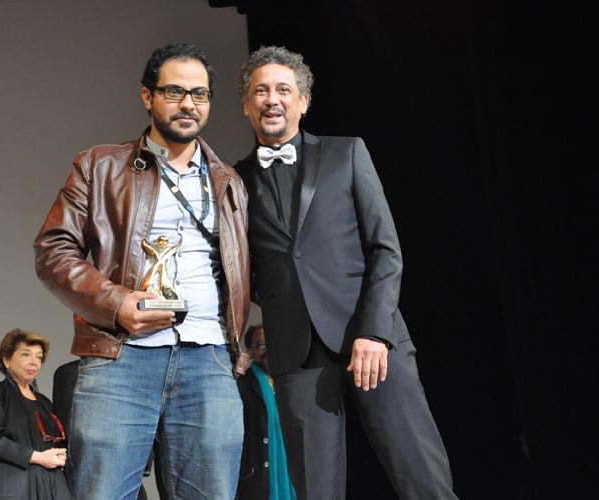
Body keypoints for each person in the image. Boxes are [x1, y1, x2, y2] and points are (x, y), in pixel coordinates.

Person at [234, 46, 459, 500]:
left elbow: (386, 250)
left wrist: (374, 332)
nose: (272, 99)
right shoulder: (234, 180)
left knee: (423, 482)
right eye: (261, 91)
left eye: (283, 89)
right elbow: (244, 271)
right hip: (297, 355)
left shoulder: (347, 153)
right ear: (246, 105)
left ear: (303, 101)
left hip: (373, 338)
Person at [34, 42, 250, 500]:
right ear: (147, 96)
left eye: (200, 94)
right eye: (174, 91)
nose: (189, 104)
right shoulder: (99, 165)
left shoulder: (229, 182)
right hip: (121, 356)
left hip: (209, 360)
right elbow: (53, 250)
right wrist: (116, 304)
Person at [0, 328, 71, 500]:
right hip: (12, 486)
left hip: (51, 486)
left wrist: (62, 454)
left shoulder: (45, 403)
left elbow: (57, 441)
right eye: (26, 355)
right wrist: (37, 457)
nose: (34, 362)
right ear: (6, 360)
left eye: (39, 357)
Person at [51, 360, 161, 500]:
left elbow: (147, 418)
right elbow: (68, 421)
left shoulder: (130, 373)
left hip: (128, 465)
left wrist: (143, 459)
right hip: (91, 466)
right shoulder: (70, 372)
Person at [237, 324, 296, 500]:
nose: (269, 349)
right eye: (262, 345)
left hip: (293, 470)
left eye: (273, 343)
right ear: (250, 351)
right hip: (257, 474)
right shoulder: (242, 385)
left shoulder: (293, 382)